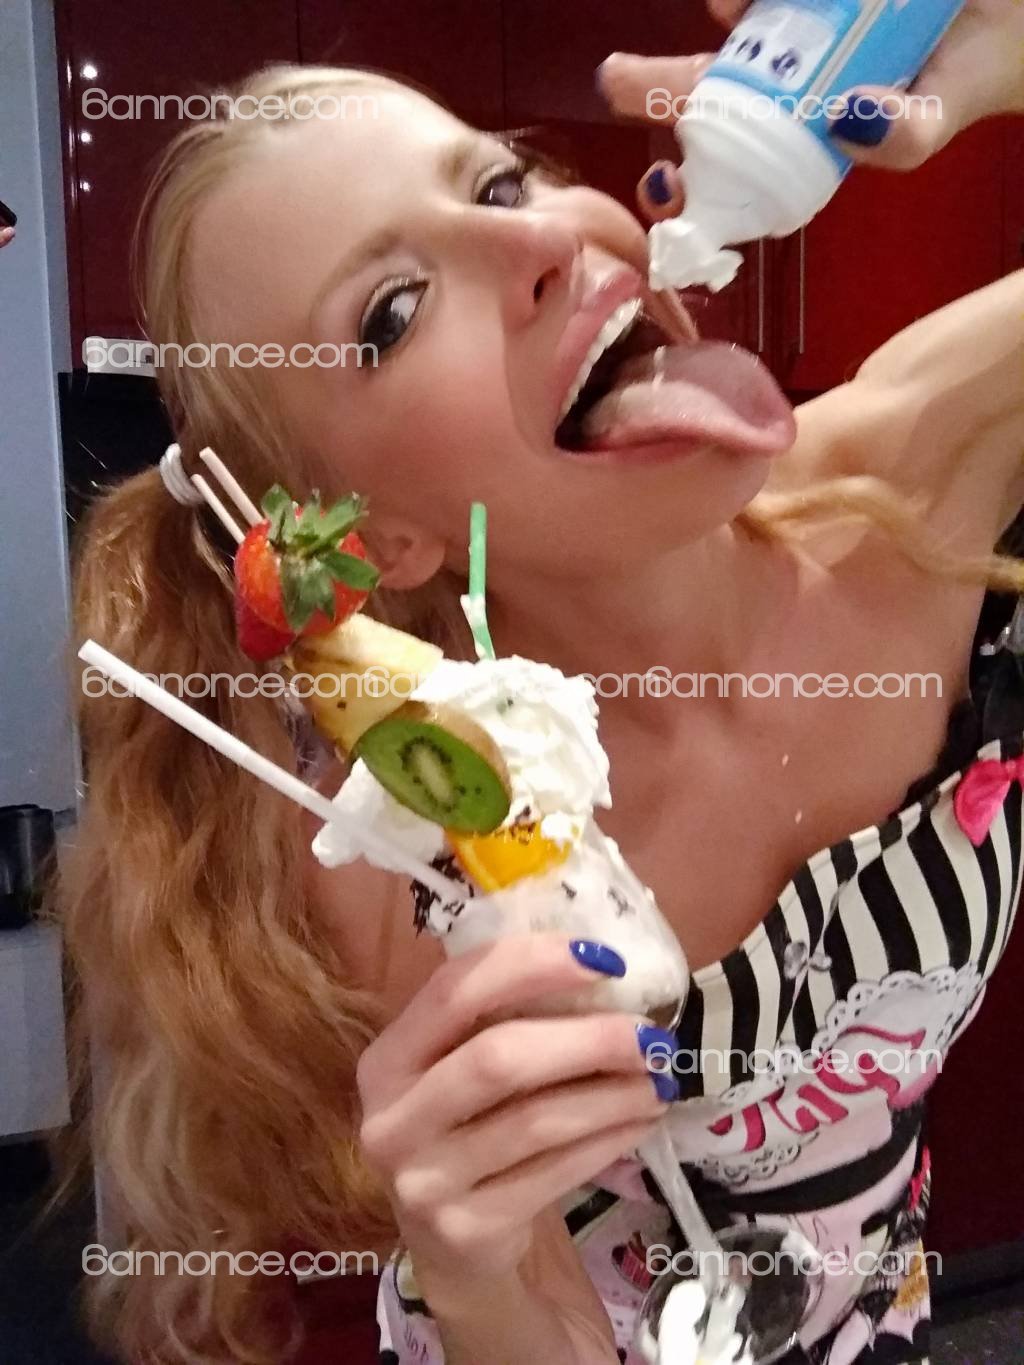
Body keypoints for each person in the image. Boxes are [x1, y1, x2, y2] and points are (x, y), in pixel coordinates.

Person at [59, 5, 1024, 1362]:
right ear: (378, 533)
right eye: (393, 312)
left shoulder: (920, 481)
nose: (537, 241)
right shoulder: (407, 865)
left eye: (501, 184)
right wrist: (484, 1278)